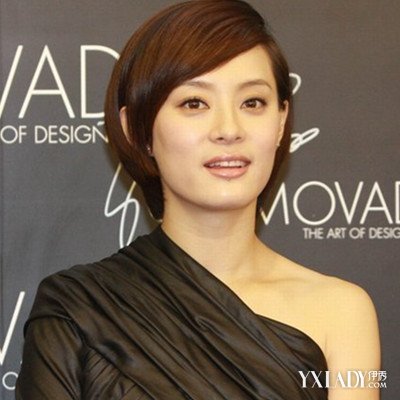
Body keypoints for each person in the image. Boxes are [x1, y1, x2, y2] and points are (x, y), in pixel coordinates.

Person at [16, 1, 380, 399]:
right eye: (194, 103)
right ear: (137, 129)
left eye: (252, 102)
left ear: (280, 122)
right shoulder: (76, 309)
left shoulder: (342, 311)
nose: (229, 129)